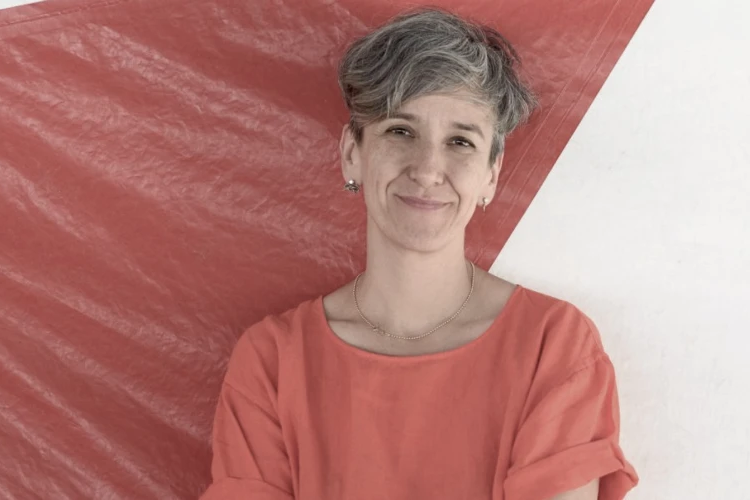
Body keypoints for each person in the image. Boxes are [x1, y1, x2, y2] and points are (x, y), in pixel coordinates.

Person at [200, 7, 637, 500]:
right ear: (352, 153)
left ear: (491, 175)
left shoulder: (552, 347)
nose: (428, 169)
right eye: (400, 131)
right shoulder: (272, 362)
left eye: (460, 141)